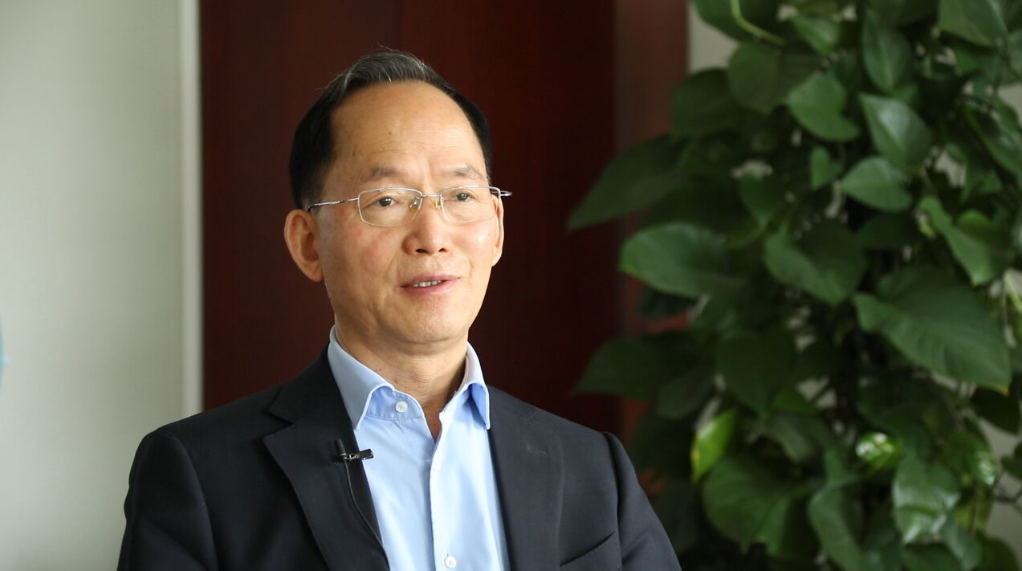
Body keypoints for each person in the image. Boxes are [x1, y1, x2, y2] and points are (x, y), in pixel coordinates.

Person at [117, 51, 680, 571]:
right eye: (387, 201)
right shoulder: (201, 474)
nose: (432, 236)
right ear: (308, 244)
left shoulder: (593, 468)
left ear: (497, 230)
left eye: (461, 196)